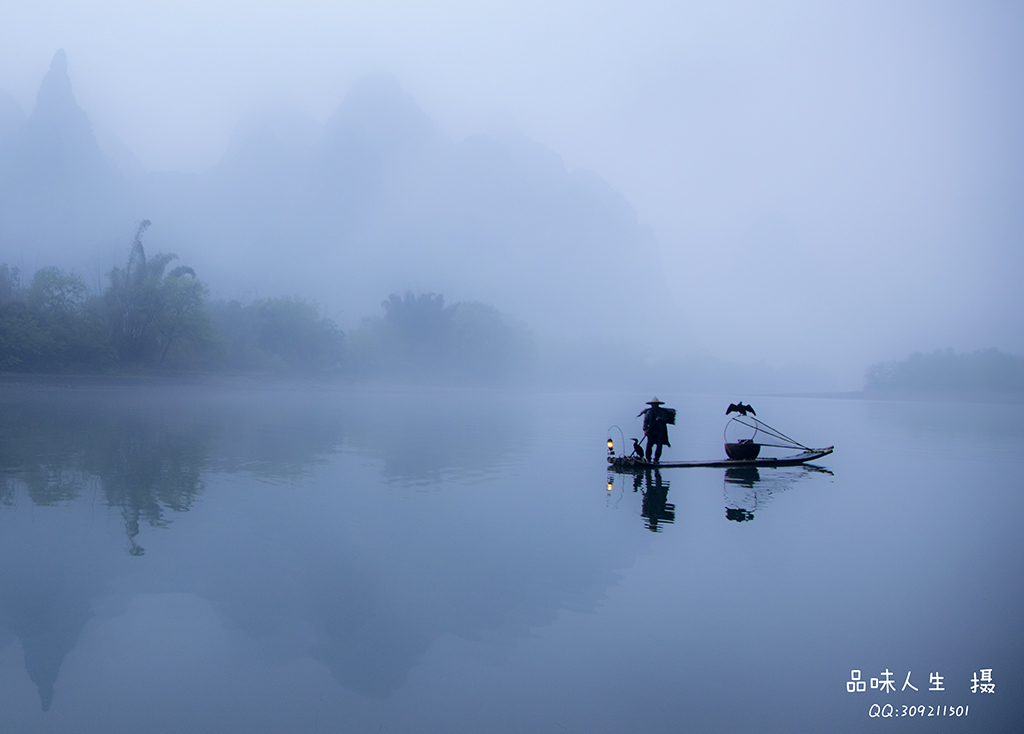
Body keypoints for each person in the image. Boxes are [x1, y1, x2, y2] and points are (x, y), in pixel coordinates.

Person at [638, 397, 674, 463]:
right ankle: (648, 459)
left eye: (655, 404)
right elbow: (645, 422)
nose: (654, 406)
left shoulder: (662, 412)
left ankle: (656, 459)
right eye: (653, 404)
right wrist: (645, 430)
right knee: (649, 446)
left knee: (659, 446)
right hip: (651, 432)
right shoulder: (649, 412)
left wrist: (660, 419)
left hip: (660, 432)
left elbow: (665, 419)